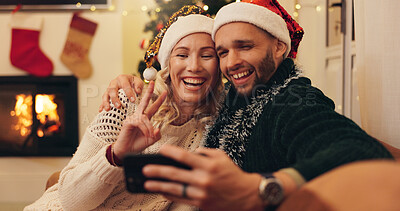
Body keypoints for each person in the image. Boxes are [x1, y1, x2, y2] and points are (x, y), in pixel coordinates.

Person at [100, 0, 394, 210]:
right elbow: (183, 90)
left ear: (279, 47)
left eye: (245, 46)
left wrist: (263, 188)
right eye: (222, 52)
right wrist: (129, 82)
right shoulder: (236, 97)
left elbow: (361, 152)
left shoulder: (292, 100)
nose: (231, 63)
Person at [24, 5, 223, 211]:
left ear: (219, 67)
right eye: (182, 55)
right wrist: (117, 154)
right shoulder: (127, 100)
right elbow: (71, 201)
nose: (194, 66)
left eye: (207, 56)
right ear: (168, 64)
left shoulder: (217, 130)